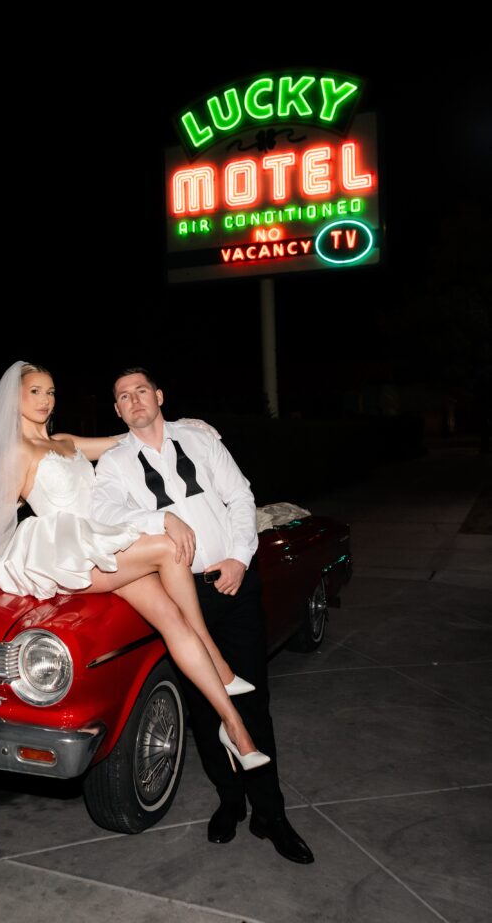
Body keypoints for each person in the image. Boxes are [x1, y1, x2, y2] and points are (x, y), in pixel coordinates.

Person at [0, 360, 267, 771]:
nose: (45, 400)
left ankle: (234, 727)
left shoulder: (65, 441)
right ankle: (216, 659)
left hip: (99, 541)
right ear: (14, 399)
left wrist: (191, 425)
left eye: (51, 391)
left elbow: (127, 438)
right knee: (167, 548)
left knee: (171, 619)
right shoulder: (16, 452)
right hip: (65, 552)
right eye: (35, 391)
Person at [91, 367, 314, 863]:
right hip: (180, 596)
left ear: (159, 395)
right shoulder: (113, 463)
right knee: (201, 704)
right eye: (123, 396)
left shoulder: (200, 437)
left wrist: (238, 556)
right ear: (117, 410)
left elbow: (240, 496)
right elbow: (103, 516)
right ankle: (229, 802)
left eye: (141, 391)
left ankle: (270, 812)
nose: (134, 400)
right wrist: (158, 518)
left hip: (232, 584)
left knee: (252, 697)